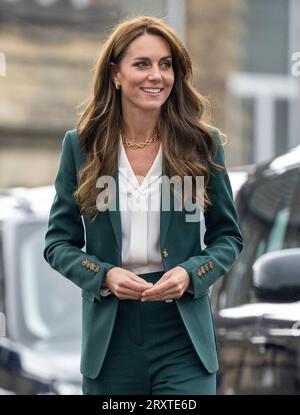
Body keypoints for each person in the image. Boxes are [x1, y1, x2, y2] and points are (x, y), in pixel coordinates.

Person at [43, 15, 244, 395]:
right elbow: (57, 244)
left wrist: (191, 273)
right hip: (111, 338)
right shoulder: (81, 146)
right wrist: (102, 275)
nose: (157, 75)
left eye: (165, 64)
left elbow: (228, 238)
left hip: (182, 335)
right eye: (142, 64)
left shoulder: (202, 144)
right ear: (116, 73)